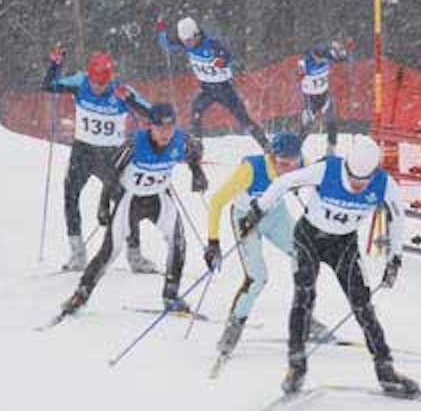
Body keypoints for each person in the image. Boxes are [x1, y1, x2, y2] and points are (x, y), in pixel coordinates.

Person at [239, 134, 420, 396]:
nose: (359, 185)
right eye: (354, 179)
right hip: (309, 240)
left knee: (363, 305)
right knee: (304, 298)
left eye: (364, 180)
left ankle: (386, 371)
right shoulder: (328, 169)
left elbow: (397, 217)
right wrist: (257, 210)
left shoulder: (384, 183)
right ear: (346, 166)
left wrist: (395, 257)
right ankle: (296, 369)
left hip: (343, 245)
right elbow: (284, 181)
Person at [60, 103, 208, 315]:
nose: (166, 133)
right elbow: (112, 174)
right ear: (151, 127)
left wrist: (198, 173)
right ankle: (81, 293)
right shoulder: (134, 144)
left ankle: (171, 295)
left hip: (159, 198)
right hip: (130, 200)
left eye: (170, 127)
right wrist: (103, 205)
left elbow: (193, 153)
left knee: (178, 242)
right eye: (160, 128)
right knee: (110, 250)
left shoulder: (180, 140)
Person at [203, 131, 332, 357]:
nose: (288, 169)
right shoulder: (251, 169)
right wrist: (213, 242)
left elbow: (319, 184)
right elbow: (216, 202)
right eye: (283, 163)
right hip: (246, 220)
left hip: (275, 216)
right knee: (257, 279)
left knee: (305, 256)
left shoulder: (301, 164)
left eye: (293, 164)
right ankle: (234, 327)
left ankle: (305, 317)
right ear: (271, 156)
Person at [43, 46, 157, 273]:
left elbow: (152, 115)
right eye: (95, 82)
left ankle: (135, 257)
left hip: (111, 157)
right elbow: (49, 86)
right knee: (70, 196)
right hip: (83, 151)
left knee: (126, 204)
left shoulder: (121, 91)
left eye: (103, 83)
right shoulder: (80, 81)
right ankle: (77, 255)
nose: (98, 87)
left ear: (110, 78)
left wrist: (131, 100)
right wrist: (55, 64)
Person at [156, 16, 270, 151]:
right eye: (184, 41)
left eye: (189, 40)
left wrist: (223, 61)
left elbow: (228, 56)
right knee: (195, 113)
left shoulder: (211, 44)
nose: (187, 44)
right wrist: (161, 29)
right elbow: (164, 43)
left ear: (196, 35)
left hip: (224, 89)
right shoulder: (185, 43)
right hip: (206, 89)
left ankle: (266, 145)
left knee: (243, 117)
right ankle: (195, 148)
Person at [296, 39, 355, 155]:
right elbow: (298, 72)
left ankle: (331, 150)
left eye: (324, 60)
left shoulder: (328, 55)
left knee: (332, 122)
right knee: (306, 126)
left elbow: (344, 58)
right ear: (314, 55)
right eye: (319, 60)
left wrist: (346, 50)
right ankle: (295, 150)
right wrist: (300, 73)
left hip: (324, 96)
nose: (322, 62)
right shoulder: (305, 61)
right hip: (310, 99)